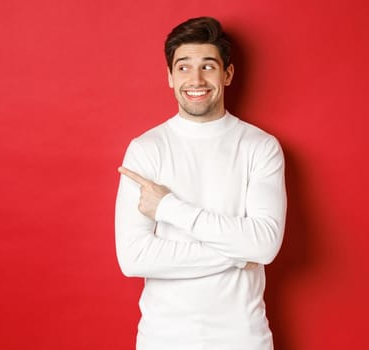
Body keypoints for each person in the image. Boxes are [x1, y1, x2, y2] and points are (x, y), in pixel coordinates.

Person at [114, 16, 287, 350]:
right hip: (163, 340)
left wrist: (168, 208)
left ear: (227, 74)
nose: (195, 79)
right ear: (169, 76)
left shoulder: (260, 147)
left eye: (208, 66)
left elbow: (264, 245)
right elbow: (134, 258)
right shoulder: (146, 149)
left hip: (244, 340)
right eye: (183, 67)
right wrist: (237, 254)